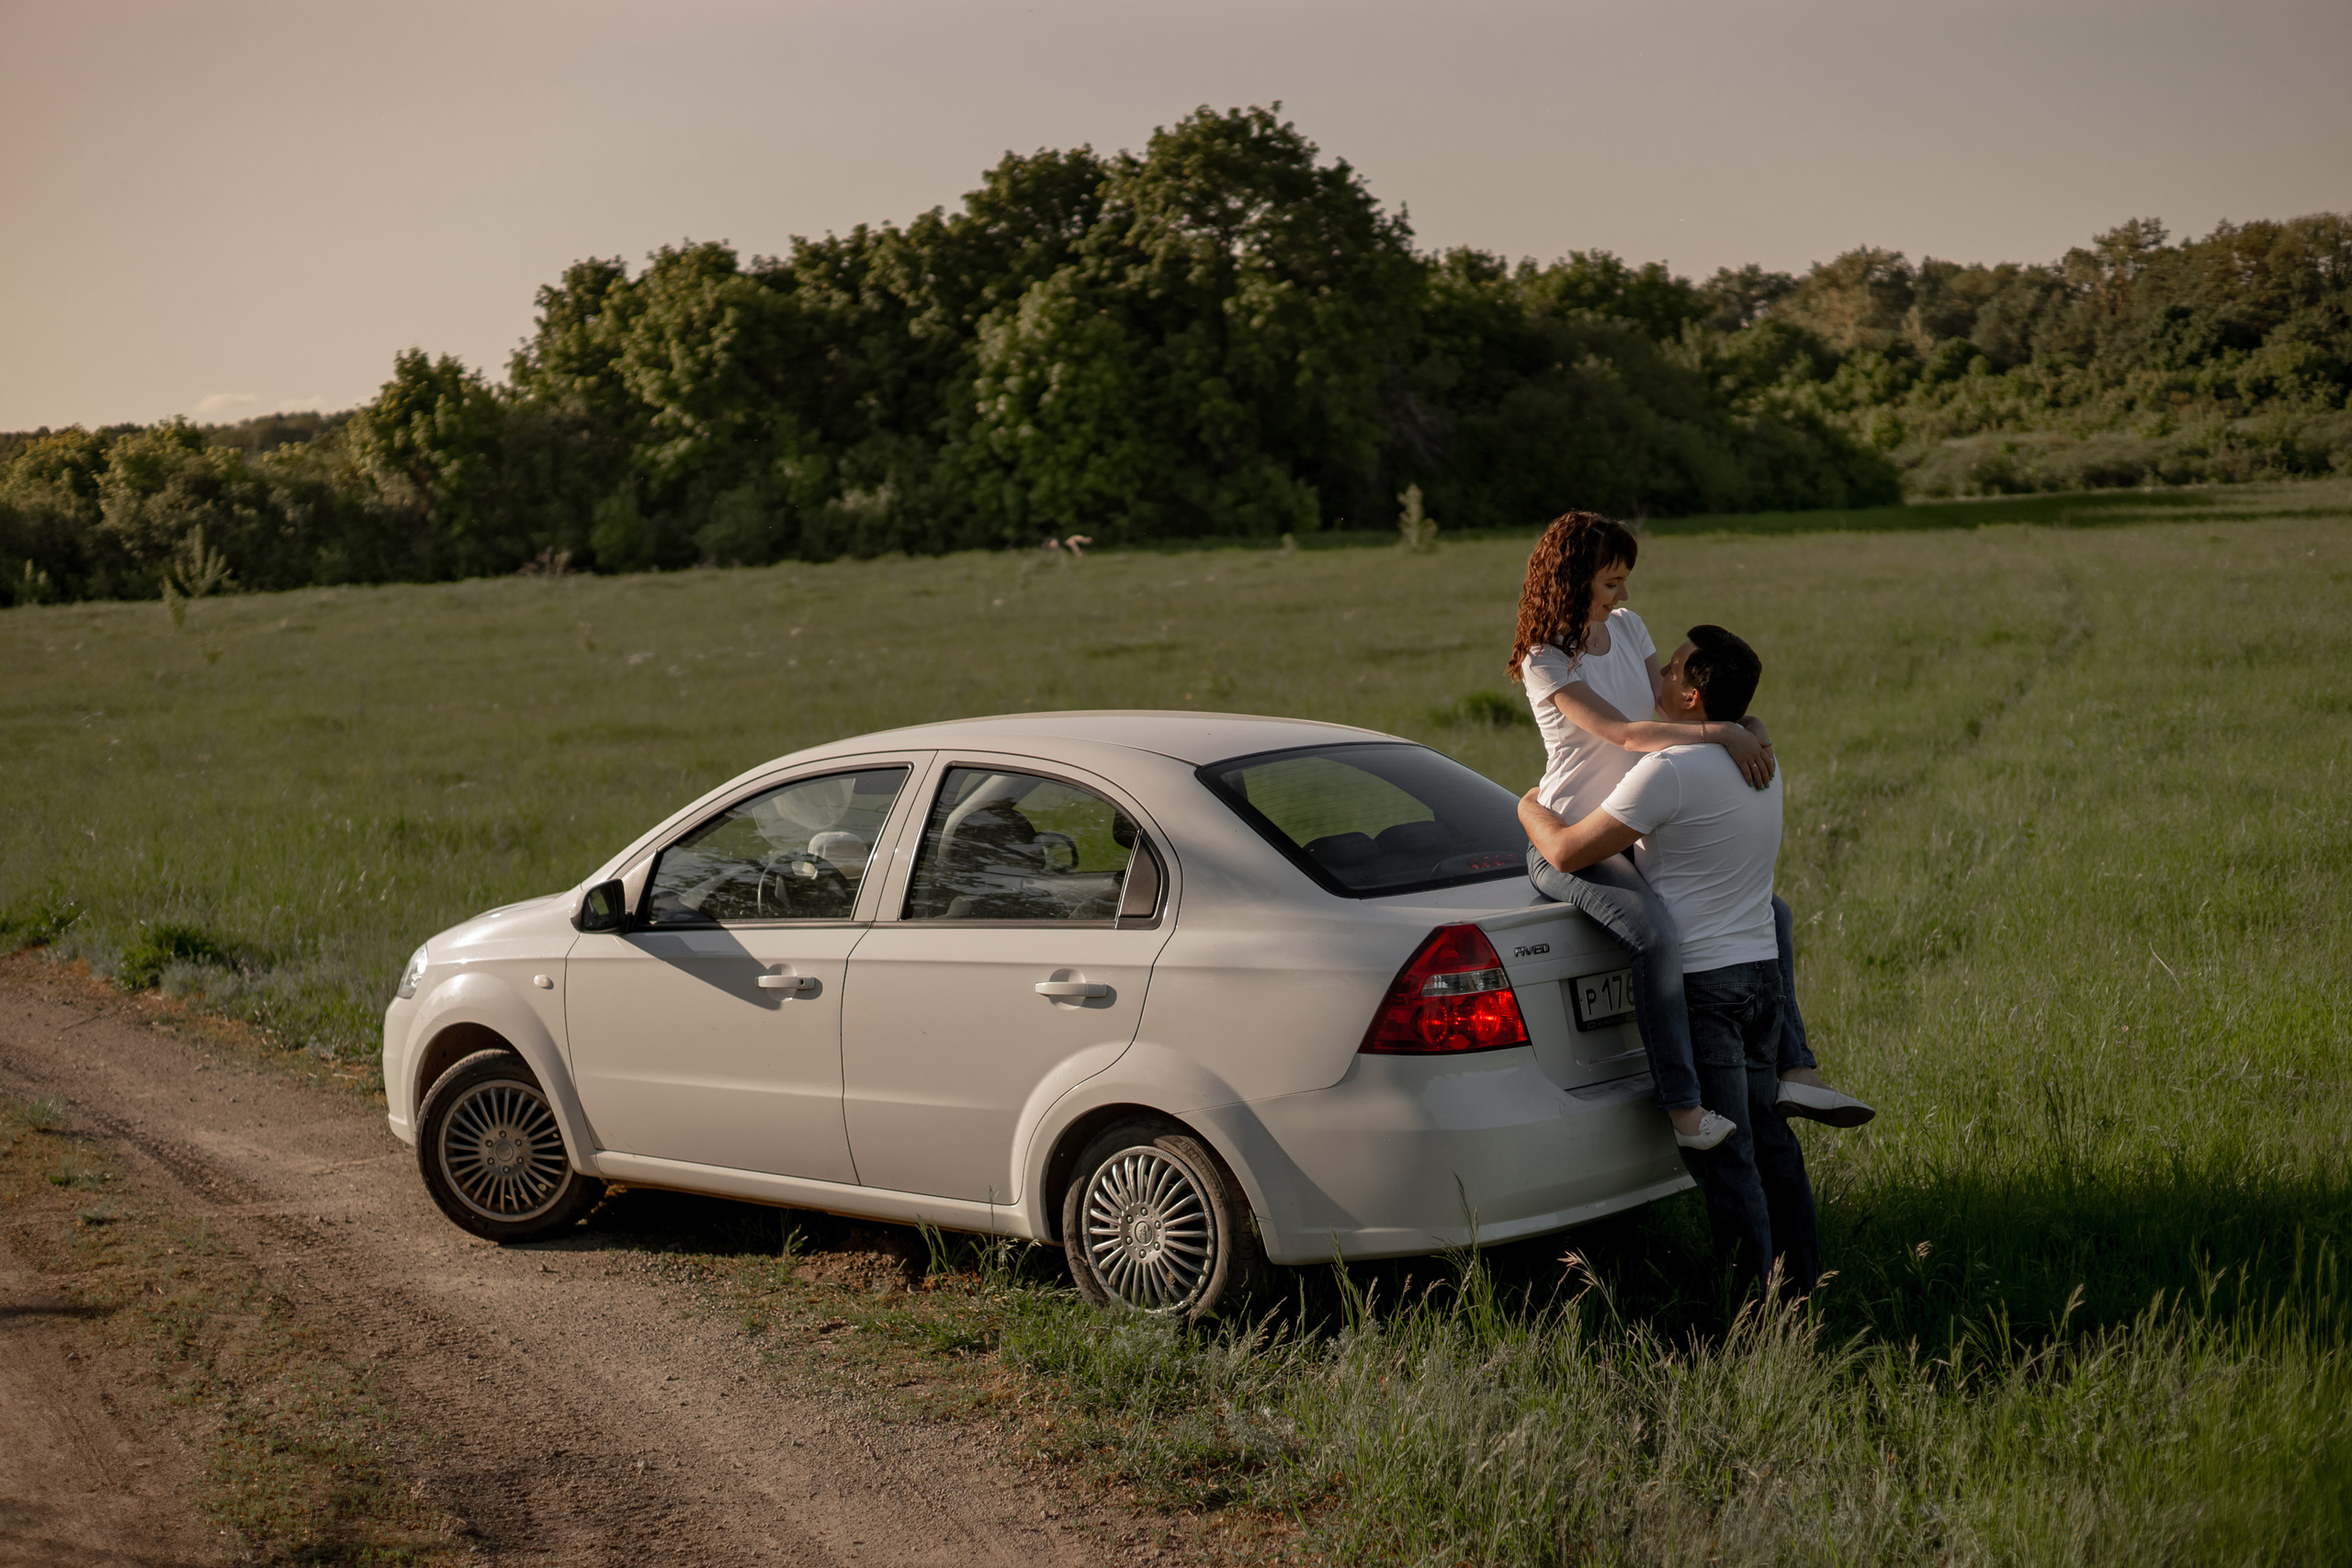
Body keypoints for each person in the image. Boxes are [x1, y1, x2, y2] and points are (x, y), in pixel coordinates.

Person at [1507, 512, 1871, 1148]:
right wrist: (1722, 733)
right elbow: (1622, 732)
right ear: (1572, 580)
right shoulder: (1546, 659)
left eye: (1623, 581)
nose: (1623, 595)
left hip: (1634, 823)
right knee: (1654, 935)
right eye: (1611, 582)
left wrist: (1746, 722)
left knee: (1775, 912)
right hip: (1571, 834)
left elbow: (1674, 701)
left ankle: (1799, 1069)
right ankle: (1683, 1108)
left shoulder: (1627, 628)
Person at [1519, 626, 1819, 1297]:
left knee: (1728, 1156)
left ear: (1690, 693)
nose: (1656, 675)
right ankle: (1804, 1288)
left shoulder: (1668, 772)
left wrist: (1526, 807)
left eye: (1673, 667)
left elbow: (1568, 852)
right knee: (1770, 1138)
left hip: (1707, 984)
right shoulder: (1762, 759)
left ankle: (1755, 1322)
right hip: (1762, 974)